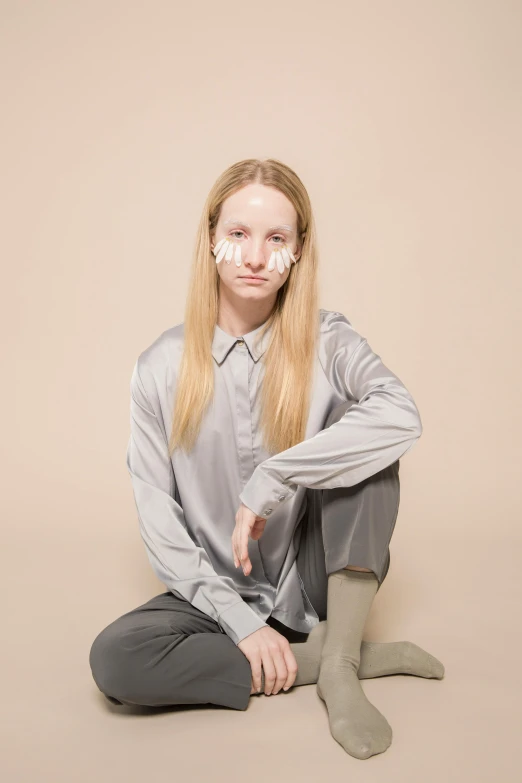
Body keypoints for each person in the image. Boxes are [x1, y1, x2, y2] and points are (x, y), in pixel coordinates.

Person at [89, 158, 444, 760]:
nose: (256, 258)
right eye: (238, 235)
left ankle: (337, 663)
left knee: (371, 453)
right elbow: (159, 521)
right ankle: (337, 655)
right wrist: (240, 620)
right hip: (210, 593)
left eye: (276, 239)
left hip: (310, 580)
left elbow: (400, 414)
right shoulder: (158, 367)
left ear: (299, 252)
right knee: (116, 659)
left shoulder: (331, 342)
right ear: (210, 241)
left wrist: (274, 476)